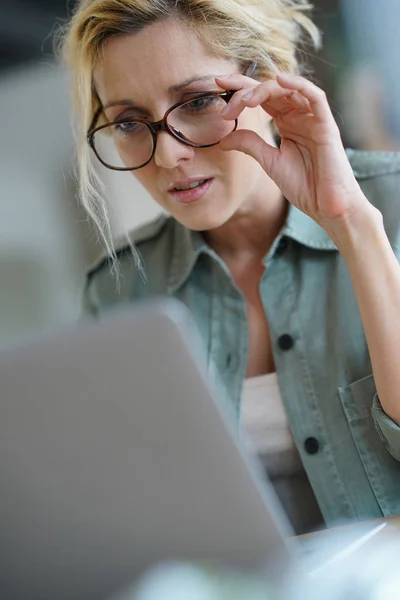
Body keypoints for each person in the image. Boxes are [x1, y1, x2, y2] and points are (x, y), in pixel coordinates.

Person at [61, 0, 400, 534]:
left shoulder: (394, 206)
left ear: (270, 86)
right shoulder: (118, 292)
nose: (168, 157)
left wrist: (352, 225)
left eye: (197, 101)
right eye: (129, 122)